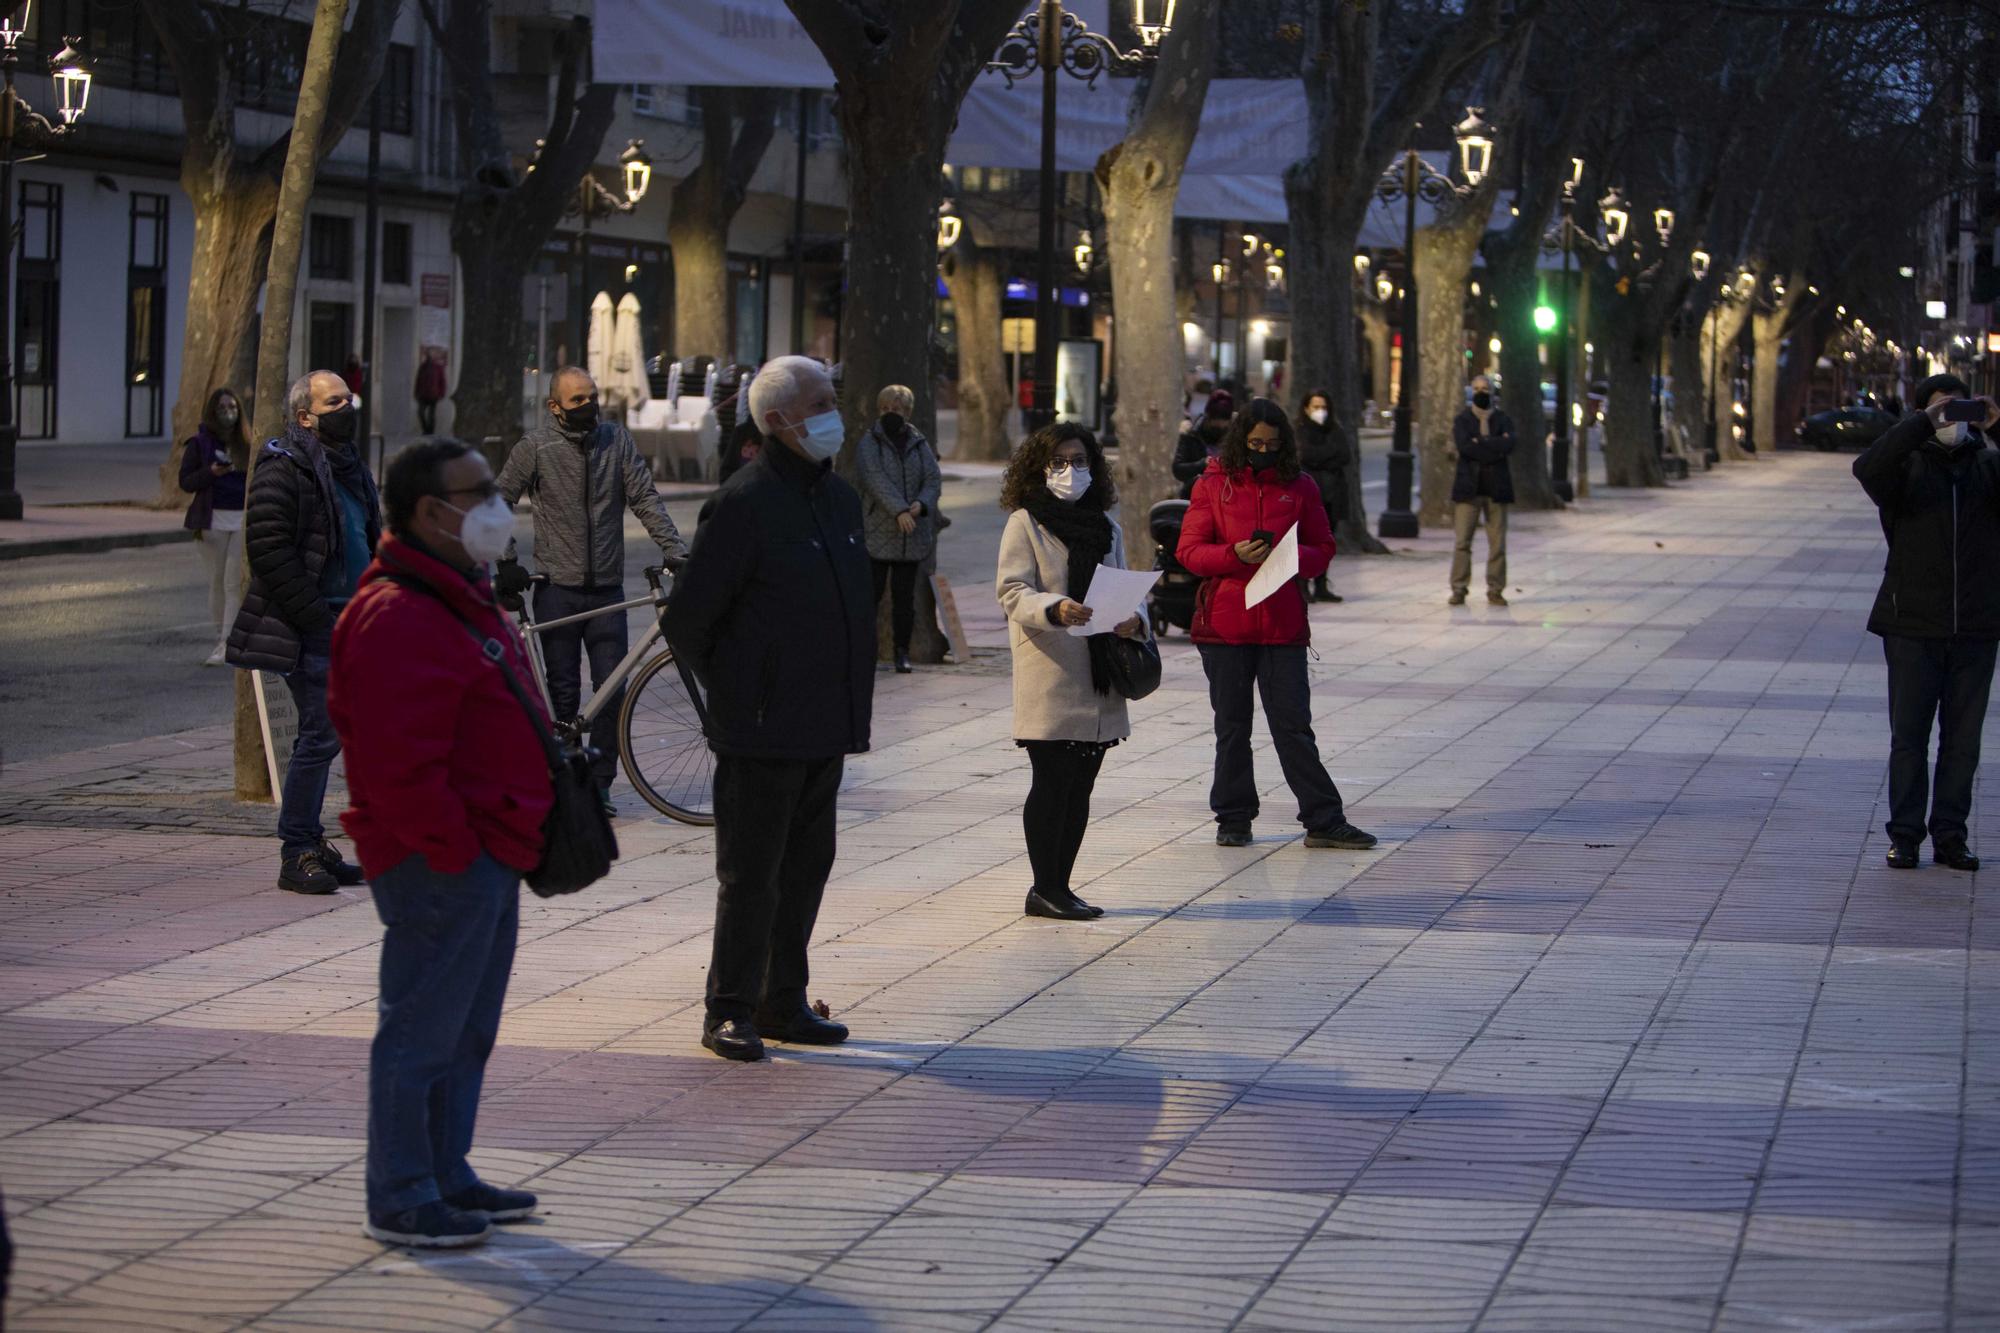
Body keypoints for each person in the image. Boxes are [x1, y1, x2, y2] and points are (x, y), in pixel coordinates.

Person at [329, 439, 551, 1250]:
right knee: (421, 1031)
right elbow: (396, 764)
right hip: (440, 861)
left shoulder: (456, 590)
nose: (498, 504)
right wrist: (454, 848)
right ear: (430, 512)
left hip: (486, 850)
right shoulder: (399, 610)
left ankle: (445, 1168)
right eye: (480, 491)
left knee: (464, 1030)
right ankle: (402, 1191)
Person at [663, 355, 874, 1062]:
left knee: (807, 868)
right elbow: (689, 619)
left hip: (826, 725)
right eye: (821, 401)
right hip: (760, 730)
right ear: (779, 420)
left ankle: (783, 1000)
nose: (834, 411)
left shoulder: (840, 501)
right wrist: (741, 690)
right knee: (751, 874)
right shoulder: (744, 502)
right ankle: (729, 1007)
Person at [1177, 397, 1376, 852]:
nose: (1262, 451)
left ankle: (1324, 819)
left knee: (1293, 726)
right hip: (1226, 624)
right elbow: (1190, 552)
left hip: (1281, 623)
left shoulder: (1300, 486)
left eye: (1271, 443)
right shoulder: (1212, 485)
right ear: (1240, 442)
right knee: (1232, 727)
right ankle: (1233, 816)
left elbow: (1323, 548)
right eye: (1254, 443)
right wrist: (1233, 554)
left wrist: (1290, 559)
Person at [495, 366, 689, 815]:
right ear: (554, 407)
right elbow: (498, 497)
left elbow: (643, 496)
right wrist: (505, 560)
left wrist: (676, 551)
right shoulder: (535, 446)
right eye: (577, 400)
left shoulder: (615, 441)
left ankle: (600, 785)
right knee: (563, 693)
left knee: (612, 689)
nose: (588, 406)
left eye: (592, 397)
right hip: (555, 588)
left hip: (607, 591)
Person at [227, 370, 378, 896]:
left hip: (353, 620)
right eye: (333, 401)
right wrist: (319, 618)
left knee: (331, 734)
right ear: (304, 417)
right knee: (320, 735)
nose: (347, 407)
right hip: (317, 625)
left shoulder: (350, 467)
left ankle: (311, 841)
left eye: (348, 398)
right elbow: (268, 550)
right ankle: (297, 851)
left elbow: (366, 539)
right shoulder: (283, 466)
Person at [996, 423, 1147, 921]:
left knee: (1081, 784)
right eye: (1059, 462)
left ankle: (1061, 885)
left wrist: (1135, 620)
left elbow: (1126, 586)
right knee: (1053, 780)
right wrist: (1056, 608)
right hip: (1053, 670)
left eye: (1079, 461)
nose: (1070, 471)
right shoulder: (1026, 522)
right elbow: (1013, 590)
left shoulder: (1108, 527)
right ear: (1039, 468)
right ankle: (1044, 887)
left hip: (1100, 673)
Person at [1854, 374, 2000, 870]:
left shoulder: (1987, 466)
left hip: (1977, 626)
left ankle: (1951, 836)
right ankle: (1906, 836)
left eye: (1959, 409)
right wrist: (1920, 424)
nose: (1951, 421)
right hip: (1911, 624)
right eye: (1942, 410)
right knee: (1909, 738)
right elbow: (1865, 466)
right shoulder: (1904, 469)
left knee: (1963, 741)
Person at [856, 384, 943, 674]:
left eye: (897, 409)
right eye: (886, 409)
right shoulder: (870, 442)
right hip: (878, 532)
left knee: (904, 600)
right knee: (871, 596)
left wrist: (921, 504)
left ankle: (901, 652)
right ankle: (864, 651)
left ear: (907, 412)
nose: (891, 414)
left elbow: (932, 478)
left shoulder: (919, 442)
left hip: (910, 535)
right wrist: (899, 510)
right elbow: (874, 479)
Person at [179, 386, 252, 666]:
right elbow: (185, 482)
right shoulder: (200, 444)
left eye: (232, 408)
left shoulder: (246, 442)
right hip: (212, 521)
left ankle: (227, 642)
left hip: (241, 518)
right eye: (222, 409)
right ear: (213, 412)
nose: (228, 414)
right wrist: (210, 472)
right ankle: (221, 634)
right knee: (217, 582)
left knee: (233, 583)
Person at [1449, 373, 1516, 607]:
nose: (1481, 393)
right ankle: (1459, 588)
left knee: (1498, 543)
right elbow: (1465, 447)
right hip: (1469, 488)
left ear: (1492, 392)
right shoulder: (1463, 421)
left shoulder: (1503, 419)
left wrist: (1482, 442)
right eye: (1476, 388)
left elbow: (1509, 444)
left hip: (1497, 489)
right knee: (1462, 542)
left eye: (1485, 389)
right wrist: (1493, 445)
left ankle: (1495, 589)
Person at [1296, 387, 1348, 604]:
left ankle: (1321, 584)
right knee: (1305, 542)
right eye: (1316, 407)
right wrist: (1327, 457)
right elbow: (1306, 455)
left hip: (1332, 494)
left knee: (1325, 542)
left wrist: (1320, 459)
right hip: (1309, 497)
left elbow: (1344, 454)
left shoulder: (1334, 429)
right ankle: (1302, 586)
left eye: (1324, 407)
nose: (1320, 411)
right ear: (1307, 408)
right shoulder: (1299, 429)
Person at [1173, 389, 1234, 500]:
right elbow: (1178, 470)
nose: (1219, 426)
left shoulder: (1235, 437)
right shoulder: (1192, 434)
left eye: (1223, 422)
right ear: (1208, 417)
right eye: (1215, 421)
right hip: (1195, 497)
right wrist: (1202, 464)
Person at [414, 347, 447, 436]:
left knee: (431, 415)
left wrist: (441, 393)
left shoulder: (438, 368)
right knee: (420, 412)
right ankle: (426, 429)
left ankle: (430, 431)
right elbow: (418, 381)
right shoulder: (423, 367)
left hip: (433, 394)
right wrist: (416, 393)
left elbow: (442, 381)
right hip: (423, 394)